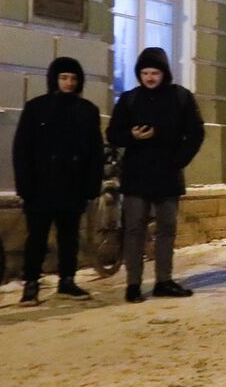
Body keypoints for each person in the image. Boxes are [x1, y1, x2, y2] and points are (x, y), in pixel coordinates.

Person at [106, 47, 205, 303]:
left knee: (166, 229)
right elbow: (113, 134)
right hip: (136, 174)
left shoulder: (180, 97)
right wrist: (131, 136)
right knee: (134, 229)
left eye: (155, 73)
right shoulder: (129, 99)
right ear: (139, 74)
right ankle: (133, 284)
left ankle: (164, 280)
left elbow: (196, 132)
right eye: (145, 73)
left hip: (167, 173)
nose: (150, 78)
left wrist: (178, 160)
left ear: (164, 73)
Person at [12, 56, 104, 304]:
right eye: (64, 77)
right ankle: (31, 282)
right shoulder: (36, 108)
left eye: (73, 78)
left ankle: (67, 280)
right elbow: (22, 149)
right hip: (41, 185)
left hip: (72, 184)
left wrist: (92, 185)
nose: (69, 83)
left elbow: (95, 152)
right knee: (37, 238)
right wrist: (24, 185)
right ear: (54, 79)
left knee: (69, 237)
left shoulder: (87, 111)